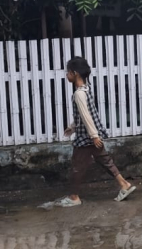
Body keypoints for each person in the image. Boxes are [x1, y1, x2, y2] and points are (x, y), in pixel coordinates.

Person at [46, 57, 136, 208]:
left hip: (86, 138)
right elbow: (84, 115)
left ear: (75, 73)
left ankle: (74, 197)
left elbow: (87, 116)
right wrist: (73, 127)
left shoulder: (78, 94)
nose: (66, 75)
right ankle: (124, 184)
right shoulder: (86, 90)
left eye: (68, 73)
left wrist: (93, 136)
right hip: (92, 135)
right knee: (105, 160)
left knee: (77, 166)